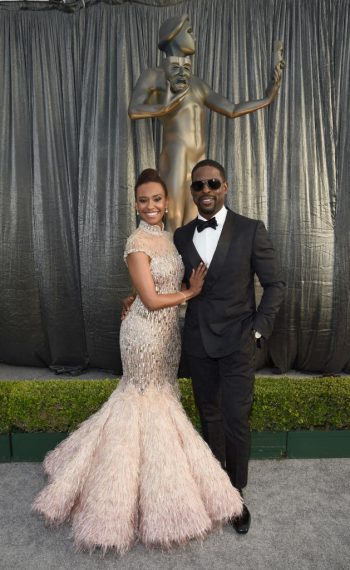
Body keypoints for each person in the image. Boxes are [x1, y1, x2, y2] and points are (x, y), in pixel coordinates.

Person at [32, 168, 243, 555]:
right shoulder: (136, 241)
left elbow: (146, 285)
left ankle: (154, 487)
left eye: (157, 200)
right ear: (135, 204)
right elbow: (151, 299)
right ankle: (122, 498)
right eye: (143, 200)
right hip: (143, 335)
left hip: (167, 336)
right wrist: (190, 292)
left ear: (166, 203)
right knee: (142, 401)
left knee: (161, 396)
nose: (150, 206)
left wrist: (134, 294)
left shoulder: (167, 237)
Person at [173, 158, 286, 533]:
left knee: (237, 419)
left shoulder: (251, 230)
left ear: (225, 187)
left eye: (213, 184)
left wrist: (257, 331)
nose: (206, 191)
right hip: (198, 343)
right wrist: (134, 298)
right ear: (192, 191)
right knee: (210, 415)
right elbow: (170, 285)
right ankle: (215, 486)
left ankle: (236, 495)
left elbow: (275, 286)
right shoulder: (181, 235)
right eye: (199, 185)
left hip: (239, 341)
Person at [129, 14, 285, 231]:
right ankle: (170, 265)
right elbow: (134, 110)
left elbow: (231, 109)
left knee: (196, 220)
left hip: (199, 161)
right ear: (174, 34)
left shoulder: (198, 84)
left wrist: (268, 97)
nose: (194, 36)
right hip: (176, 156)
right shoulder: (155, 75)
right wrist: (163, 108)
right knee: (173, 217)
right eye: (189, 31)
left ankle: (193, 265)